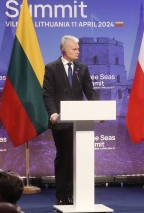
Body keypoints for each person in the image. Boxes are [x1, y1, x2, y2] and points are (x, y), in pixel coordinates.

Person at [43, 35, 97, 205]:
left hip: (79, 122)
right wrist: (52, 113)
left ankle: (73, 194)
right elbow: (48, 94)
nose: (78, 52)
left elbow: (90, 91)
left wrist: (98, 110)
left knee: (76, 158)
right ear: (63, 49)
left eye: (78, 49)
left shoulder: (82, 68)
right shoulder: (52, 68)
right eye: (74, 49)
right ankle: (61, 195)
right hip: (60, 121)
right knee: (64, 157)